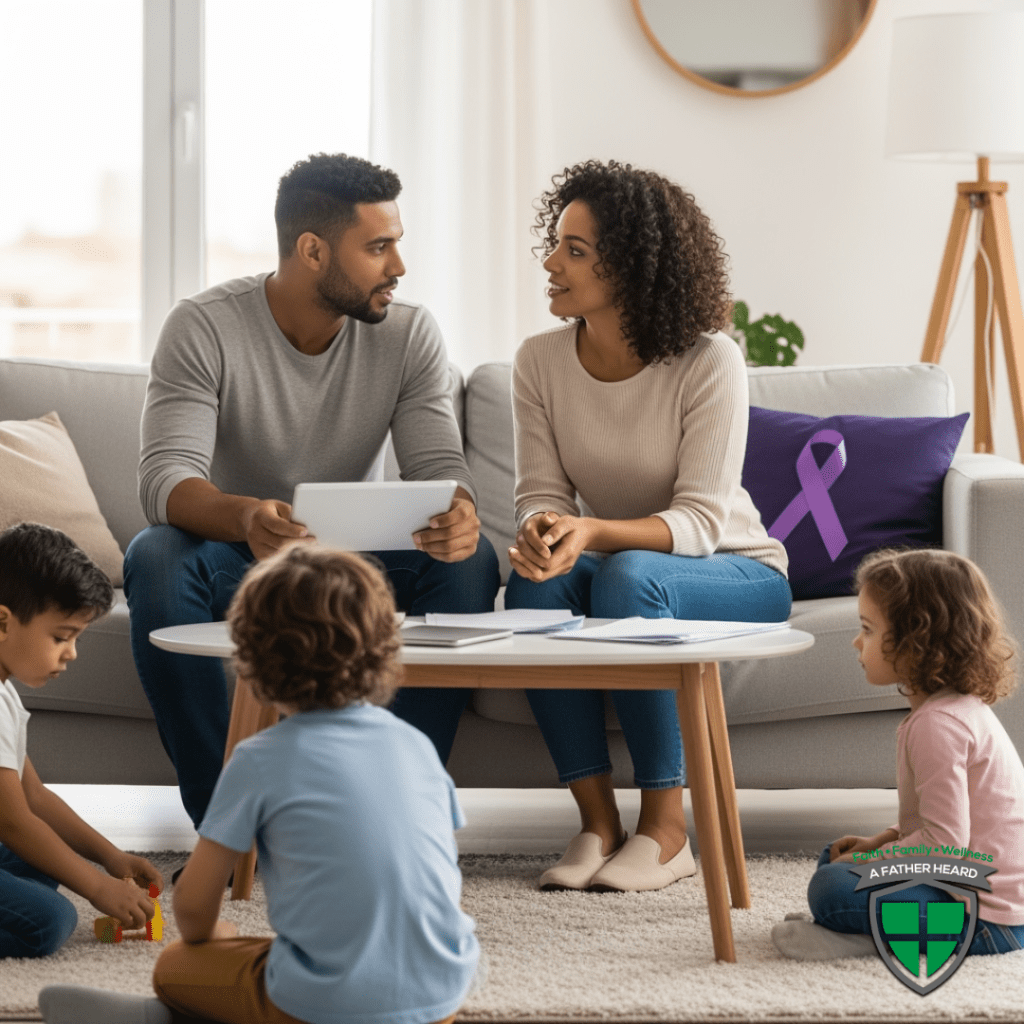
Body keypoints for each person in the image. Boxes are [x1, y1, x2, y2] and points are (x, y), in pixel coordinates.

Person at [124, 152, 500, 829]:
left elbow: (440, 465)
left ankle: (391, 809)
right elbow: (165, 481)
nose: (399, 267)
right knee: (155, 556)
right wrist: (245, 518)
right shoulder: (203, 326)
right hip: (244, 554)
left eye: (398, 244)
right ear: (312, 250)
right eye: (379, 246)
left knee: (470, 561)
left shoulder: (410, 333)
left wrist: (461, 516)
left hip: (358, 559)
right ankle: (232, 823)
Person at [40, 543, 480, 1024]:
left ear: (250, 660)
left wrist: (215, 938)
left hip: (322, 1007)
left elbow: (194, 906)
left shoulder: (260, 757)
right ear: (383, 650)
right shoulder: (415, 745)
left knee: (176, 965)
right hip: (442, 998)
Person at [504, 159, 791, 893]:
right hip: (636, 561)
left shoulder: (709, 359)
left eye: (576, 250)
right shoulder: (538, 361)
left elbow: (700, 520)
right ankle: (598, 823)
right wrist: (543, 534)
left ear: (631, 266)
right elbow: (540, 491)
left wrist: (590, 534)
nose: (551, 262)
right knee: (533, 585)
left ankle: (666, 832)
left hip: (737, 569)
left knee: (628, 576)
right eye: (555, 242)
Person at [771, 547, 1024, 960]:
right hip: (969, 887)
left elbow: (945, 846)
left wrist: (881, 856)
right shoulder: (952, 710)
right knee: (835, 857)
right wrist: (881, 840)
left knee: (831, 889)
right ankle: (866, 927)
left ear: (915, 641)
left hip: (987, 921)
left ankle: (859, 942)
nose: (856, 641)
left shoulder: (937, 725)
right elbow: (943, 823)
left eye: (868, 629)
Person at [0, 522, 163, 959]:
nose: (71, 653)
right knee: (50, 921)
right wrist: (96, 888)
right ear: (2, 622)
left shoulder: (5, 694)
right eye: (60, 637)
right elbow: (13, 822)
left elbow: (32, 796)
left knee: (42, 856)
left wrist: (109, 857)